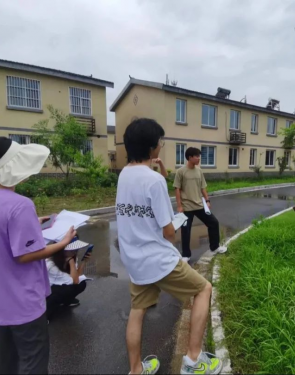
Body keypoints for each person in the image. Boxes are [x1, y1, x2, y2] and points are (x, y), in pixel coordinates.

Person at [116, 118, 223, 375]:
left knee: (138, 310)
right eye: (161, 142)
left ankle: (135, 371)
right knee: (203, 289)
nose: (162, 146)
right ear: (152, 147)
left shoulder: (123, 175)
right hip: (158, 259)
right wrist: (174, 225)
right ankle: (193, 361)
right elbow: (168, 233)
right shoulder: (153, 181)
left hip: (135, 260)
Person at [0, 137, 77, 375]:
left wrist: (34, 223)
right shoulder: (20, 205)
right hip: (23, 300)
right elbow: (26, 256)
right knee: (34, 360)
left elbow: (1, 234)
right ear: (11, 167)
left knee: (8, 360)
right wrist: (63, 242)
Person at [174, 147, 227, 262]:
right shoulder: (181, 172)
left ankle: (215, 247)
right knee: (186, 230)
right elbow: (177, 189)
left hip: (199, 205)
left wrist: (207, 201)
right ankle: (186, 255)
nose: (199, 158)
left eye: (199, 156)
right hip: (187, 206)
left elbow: (203, 187)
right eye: (196, 156)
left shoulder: (199, 171)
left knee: (213, 222)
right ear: (190, 157)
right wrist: (179, 206)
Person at [45, 239, 92, 320]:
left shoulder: (70, 257)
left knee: (82, 284)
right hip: (48, 292)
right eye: (72, 249)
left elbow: (77, 275)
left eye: (76, 249)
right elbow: (75, 281)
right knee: (70, 288)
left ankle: (66, 301)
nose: (75, 251)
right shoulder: (51, 265)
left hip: (60, 286)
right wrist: (71, 262)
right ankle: (46, 314)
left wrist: (84, 261)